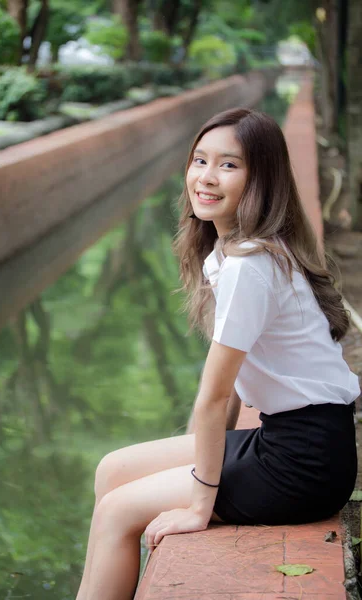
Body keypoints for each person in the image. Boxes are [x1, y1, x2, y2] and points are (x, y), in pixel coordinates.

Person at [75, 108, 360, 600]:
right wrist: (205, 458)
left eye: (229, 165)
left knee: (117, 510)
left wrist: (197, 504)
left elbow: (214, 395)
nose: (206, 177)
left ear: (261, 179)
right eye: (199, 160)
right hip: (289, 440)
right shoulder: (229, 253)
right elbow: (228, 391)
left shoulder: (252, 265)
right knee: (112, 471)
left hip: (303, 464)